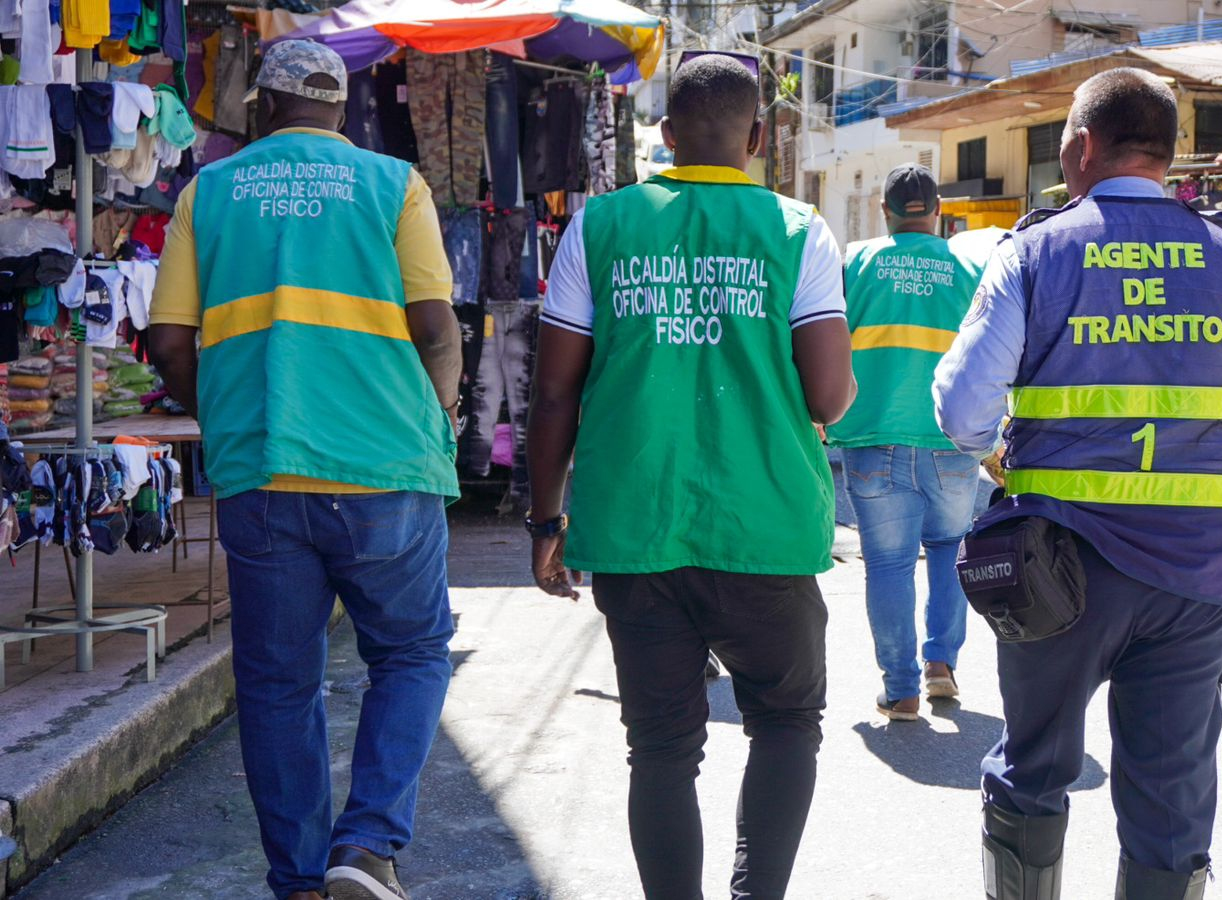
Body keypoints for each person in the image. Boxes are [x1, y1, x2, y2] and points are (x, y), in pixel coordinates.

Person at [932, 67, 1222, 899]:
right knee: (1171, 795)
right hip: (1204, 578)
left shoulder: (1036, 250)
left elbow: (962, 408)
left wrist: (1000, 459)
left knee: (1032, 770)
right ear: (1170, 157)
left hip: (1057, 570)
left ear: (1078, 145)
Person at [525, 54, 855, 899]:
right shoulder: (797, 230)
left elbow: (555, 390)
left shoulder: (599, 227)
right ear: (757, 137)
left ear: (666, 137)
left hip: (635, 522)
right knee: (786, 723)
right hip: (769, 523)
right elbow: (828, 395)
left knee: (662, 747)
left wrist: (545, 519)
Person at [147, 40, 463, 900]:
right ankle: (366, 846)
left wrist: (230, 416)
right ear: (345, 107)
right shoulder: (395, 183)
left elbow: (170, 342)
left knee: (280, 683)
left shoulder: (206, 191)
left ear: (260, 106)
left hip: (263, 467)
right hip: (387, 463)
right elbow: (436, 329)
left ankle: (300, 882)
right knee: (412, 652)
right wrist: (441, 418)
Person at [827, 163, 985, 721]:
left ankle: (901, 689)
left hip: (872, 436)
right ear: (937, 209)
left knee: (890, 564)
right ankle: (941, 666)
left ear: (884, 210)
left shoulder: (856, 260)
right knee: (949, 549)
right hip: (951, 438)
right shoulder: (969, 266)